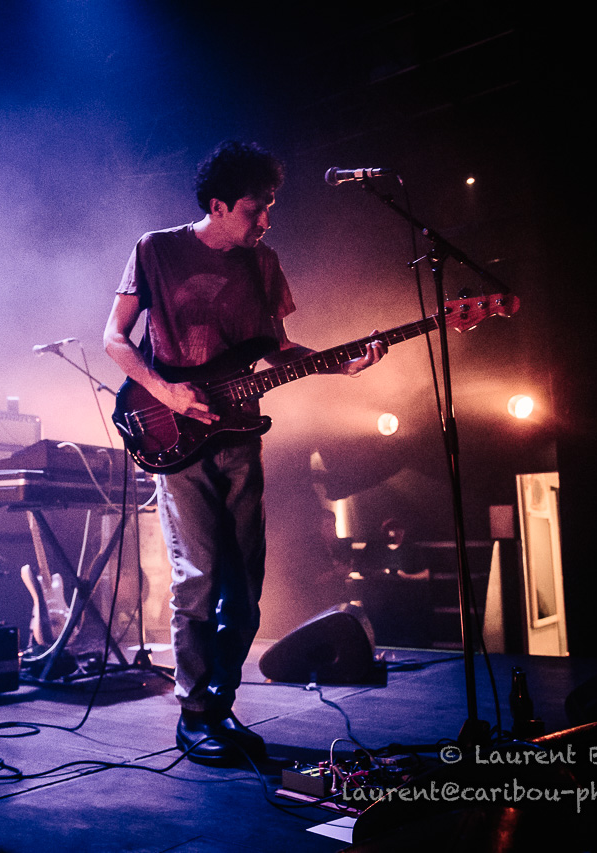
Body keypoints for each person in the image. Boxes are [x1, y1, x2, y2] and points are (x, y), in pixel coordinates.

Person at [103, 140, 385, 766]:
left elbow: (277, 349)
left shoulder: (264, 264)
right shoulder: (156, 249)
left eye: (270, 207)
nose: (266, 220)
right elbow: (114, 338)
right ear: (218, 206)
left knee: (245, 588)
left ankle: (219, 704)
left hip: (241, 438)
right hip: (176, 435)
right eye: (256, 209)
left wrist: (340, 364)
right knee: (198, 577)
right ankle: (193, 714)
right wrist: (167, 392)